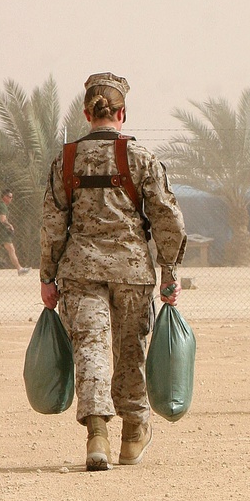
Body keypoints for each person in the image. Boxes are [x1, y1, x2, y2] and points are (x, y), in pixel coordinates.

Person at [41, 73, 187, 471]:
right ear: (122, 113)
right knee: (129, 354)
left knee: (90, 350)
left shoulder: (66, 159)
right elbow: (168, 219)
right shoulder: (141, 159)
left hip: (79, 272)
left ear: (87, 113)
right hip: (132, 274)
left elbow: (53, 223)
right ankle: (132, 435)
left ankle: (97, 437)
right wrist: (169, 272)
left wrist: (46, 276)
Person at [0, 191, 31, 273]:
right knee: (11, 249)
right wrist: (10, 225)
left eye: (11, 197)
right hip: (2, 232)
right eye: (9, 197)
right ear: (4, 196)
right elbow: (2, 219)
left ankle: (20, 269)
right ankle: (20, 269)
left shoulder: (0, 205)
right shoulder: (2, 206)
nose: (11, 199)